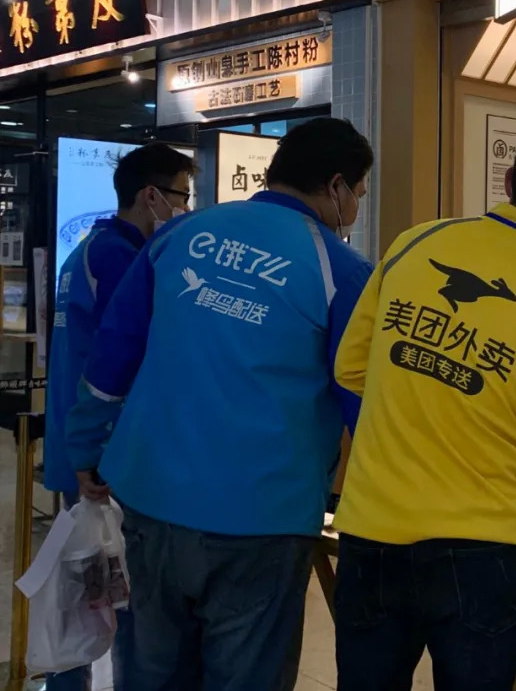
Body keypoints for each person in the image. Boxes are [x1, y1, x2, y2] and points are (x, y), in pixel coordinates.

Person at [64, 118, 375, 689]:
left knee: (151, 672)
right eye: (359, 191)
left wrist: (85, 448)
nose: (356, 206)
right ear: (336, 186)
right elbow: (361, 400)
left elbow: (112, 355)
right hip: (263, 519)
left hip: (151, 499)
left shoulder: (182, 233)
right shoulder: (344, 271)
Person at [332, 116, 516, 691]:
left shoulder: (416, 243)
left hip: (371, 527)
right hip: (482, 546)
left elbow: (351, 369)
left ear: (509, 181)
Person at [43, 142, 194, 691]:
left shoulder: (88, 249)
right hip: (106, 454)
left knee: (88, 591)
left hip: (79, 441)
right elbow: (121, 360)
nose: (185, 208)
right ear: (151, 195)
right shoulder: (121, 258)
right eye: (182, 195)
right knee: (122, 597)